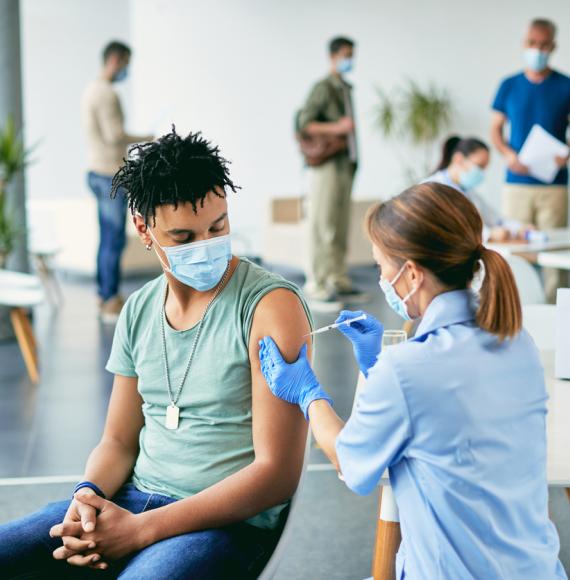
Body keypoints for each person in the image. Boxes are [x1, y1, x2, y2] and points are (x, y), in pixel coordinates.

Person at [0, 128, 311, 578]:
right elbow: (118, 441)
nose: (206, 247)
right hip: (129, 501)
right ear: (143, 228)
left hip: (222, 523)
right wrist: (86, 498)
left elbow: (276, 474)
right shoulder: (140, 309)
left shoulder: (270, 306)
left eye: (218, 227)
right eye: (183, 237)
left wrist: (141, 530)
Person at [259, 182, 566, 579]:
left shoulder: (406, 369)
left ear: (412, 274)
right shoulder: (518, 343)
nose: (381, 279)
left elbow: (350, 463)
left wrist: (307, 391)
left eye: (382, 268)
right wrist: (378, 370)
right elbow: (446, 415)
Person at [490, 18, 570, 302]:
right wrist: (508, 155)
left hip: (554, 184)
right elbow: (495, 129)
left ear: (553, 46)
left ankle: (554, 309)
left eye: (543, 44)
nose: (537, 50)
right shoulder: (509, 85)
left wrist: (567, 152)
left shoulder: (565, 85)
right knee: (515, 250)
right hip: (517, 182)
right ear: (525, 44)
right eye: (532, 43)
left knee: (555, 253)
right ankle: (514, 306)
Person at [81, 40, 153, 323]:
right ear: (115, 60)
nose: (127, 70)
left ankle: (104, 295)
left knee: (106, 238)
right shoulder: (107, 94)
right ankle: (110, 300)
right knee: (113, 239)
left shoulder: (90, 90)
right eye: (126, 63)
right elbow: (114, 135)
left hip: (95, 172)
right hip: (110, 174)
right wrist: (147, 137)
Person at [298, 36, 365, 308]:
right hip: (325, 167)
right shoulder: (323, 88)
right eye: (346, 55)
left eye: (352, 55)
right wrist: (337, 128)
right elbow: (306, 123)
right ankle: (315, 284)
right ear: (333, 56)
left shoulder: (345, 88)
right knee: (321, 224)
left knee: (338, 225)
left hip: (344, 166)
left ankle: (337, 279)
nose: (350, 60)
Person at [425, 135, 533, 243]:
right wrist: (489, 234)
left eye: (484, 169)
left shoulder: (467, 192)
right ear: (459, 159)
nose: (481, 173)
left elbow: (496, 219)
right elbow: (452, 229)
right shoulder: (433, 188)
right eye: (479, 166)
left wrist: (519, 228)